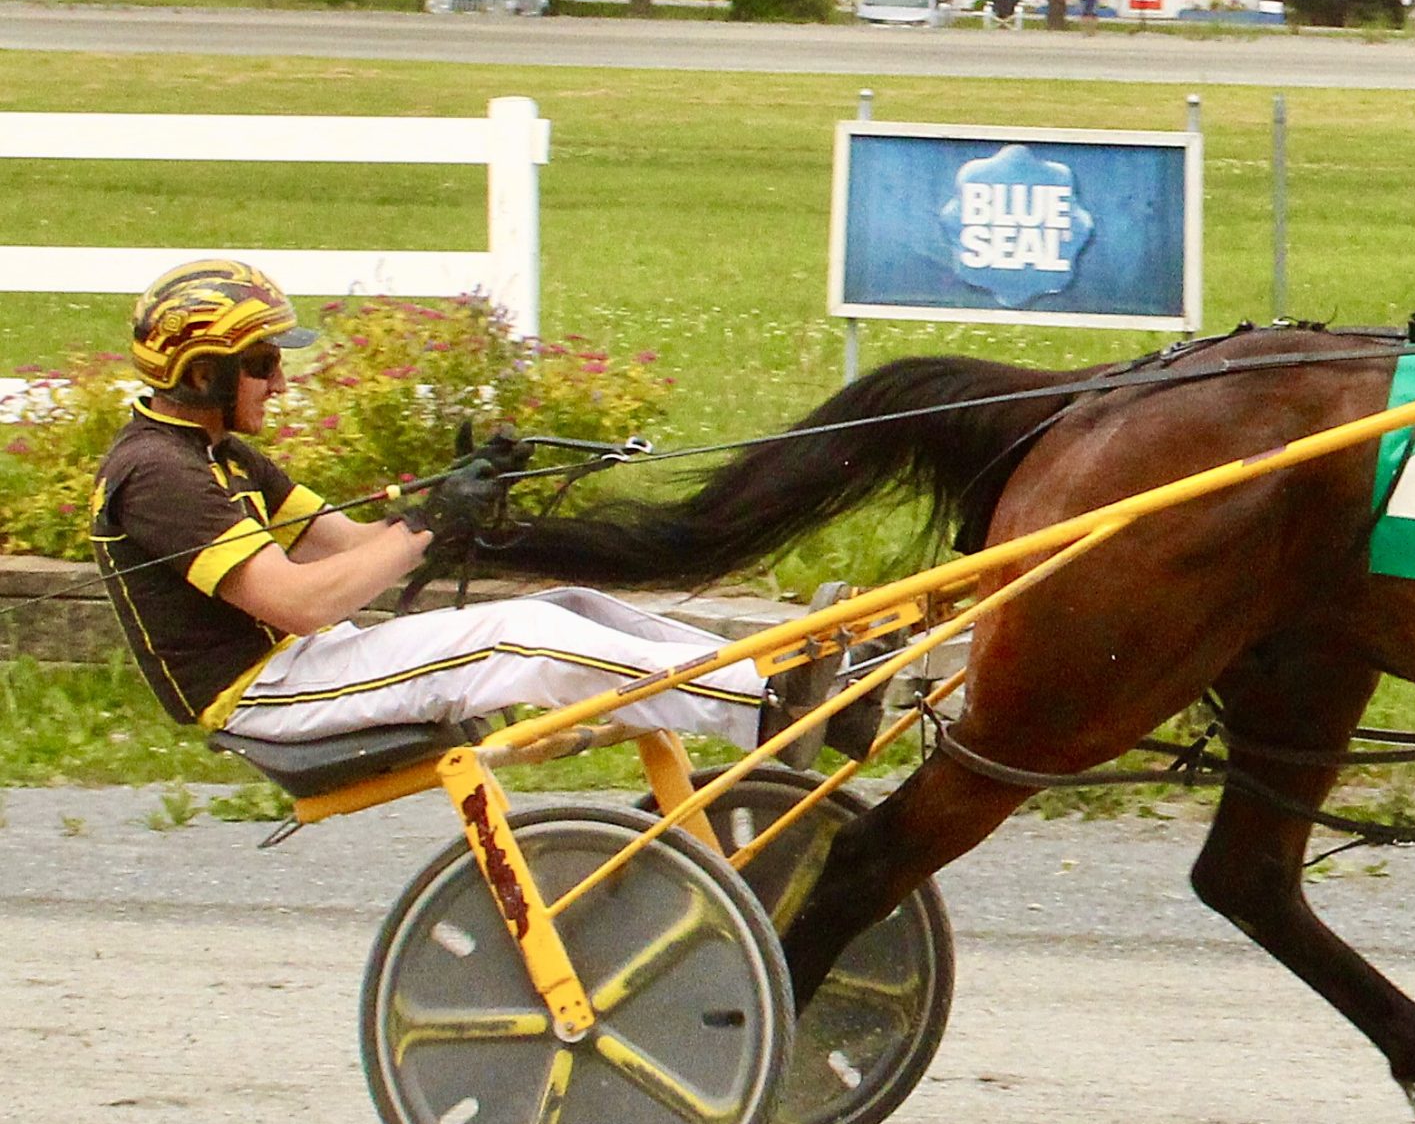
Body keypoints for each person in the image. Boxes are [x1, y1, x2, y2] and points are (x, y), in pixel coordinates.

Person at [91, 258, 857, 761]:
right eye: (263, 365)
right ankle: (763, 710)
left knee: (569, 607)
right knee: (514, 636)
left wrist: (450, 498)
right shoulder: (157, 474)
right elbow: (298, 603)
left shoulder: (221, 454)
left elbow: (350, 546)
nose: (281, 383)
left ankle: (780, 674)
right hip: (262, 699)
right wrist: (430, 525)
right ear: (203, 373)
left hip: (305, 667)